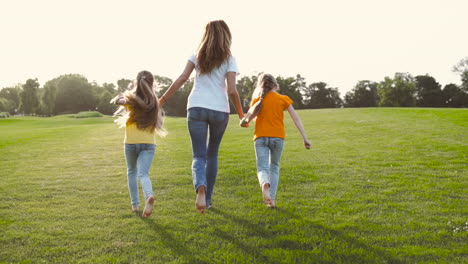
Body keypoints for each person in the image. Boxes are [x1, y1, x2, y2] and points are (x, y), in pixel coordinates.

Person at [159, 20, 244, 213]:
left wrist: (161, 101)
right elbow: (232, 90)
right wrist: (241, 114)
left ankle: (200, 188)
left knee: (199, 155)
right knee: (212, 154)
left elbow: (181, 79)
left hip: (196, 107)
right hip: (219, 110)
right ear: (226, 36)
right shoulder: (230, 58)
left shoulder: (196, 55)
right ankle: (209, 199)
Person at [240, 73, 311, 208]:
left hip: (260, 138)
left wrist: (244, 122)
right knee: (275, 167)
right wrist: (305, 138)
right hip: (278, 138)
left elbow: (245, 120)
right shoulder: (283, 99)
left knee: (262, 168)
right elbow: (296, 119)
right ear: (275, 84)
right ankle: (271, 200)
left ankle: (264, 184)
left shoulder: (256, 100)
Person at [110, 70, 166, 217]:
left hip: (130, 143)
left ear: (137, 82)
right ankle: (149, 195)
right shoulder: (154, 103)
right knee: (143, 174)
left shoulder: (131, 100)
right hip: (148, 144)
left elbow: (117, 101)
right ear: (151, 83)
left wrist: (122, 96)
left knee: (131, 172)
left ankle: (135, 205)